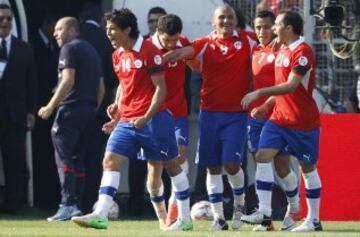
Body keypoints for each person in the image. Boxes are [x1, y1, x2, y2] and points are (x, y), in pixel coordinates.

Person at [71, 8, 192, 231]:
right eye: (107, 29)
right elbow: (125, 86)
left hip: (155, 120)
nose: (108, 34)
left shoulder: (149, 51)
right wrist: (117, 110)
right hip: (127, 121)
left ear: (127, 30)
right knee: (109, 160)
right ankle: (101, 214)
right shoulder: (117, 55)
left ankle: (185, 219)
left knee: (172, 166)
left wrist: (146, 117)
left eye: (112, 30)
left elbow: (161, 90)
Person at [165, 4, 256, 231]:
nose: (226, 21)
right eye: (222, 18)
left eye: (230, 17)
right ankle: (219, 218)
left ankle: (239, 208)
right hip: (210, 115)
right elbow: (184, 53)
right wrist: (165, 57)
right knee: (212, 167)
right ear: (213, 23)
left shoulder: (248, 40)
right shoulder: (205, 44)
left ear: (236, 20)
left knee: (232, 163)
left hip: (236, 115)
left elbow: (270, 44)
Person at [240, 10, 323, 232]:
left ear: (288, 28)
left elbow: (291, 85)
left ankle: (313, 220)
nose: (273, 28)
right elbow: (281, 89)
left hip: (302, 122)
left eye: (276, 24)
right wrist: (267, 105)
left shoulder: (303, 52)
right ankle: (265, 212)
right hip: (279, 119)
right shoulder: (283, 48)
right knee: (262, 156)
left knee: (307, 168)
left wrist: (258, 94)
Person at [38, 17, 103, 221]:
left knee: (64, 158)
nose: (55, 33)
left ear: (74, 30)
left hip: (69, 111)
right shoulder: (92, 51)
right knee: (77, 159)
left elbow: (67, 79)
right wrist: (91, 108)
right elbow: (100, 88)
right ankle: (79, 204)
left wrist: (50, 106)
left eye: (59, 29)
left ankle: (68, 204)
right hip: (87, 112)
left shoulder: (69, 49)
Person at [246, 10, 301, 231]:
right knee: (261, 161)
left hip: (280, 116)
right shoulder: (254, 49)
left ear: (276, 28)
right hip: (257, 116)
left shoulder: (284, 50)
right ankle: (266, 219)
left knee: (282, 168)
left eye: (267, 27)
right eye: (258, 27)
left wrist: (265, 101)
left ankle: (294, 206)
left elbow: (288, 83)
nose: (262, 32)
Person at [146, 14, 191, 227]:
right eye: (167, 41)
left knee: (179, 158)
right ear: (158, 33)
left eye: (176, 40)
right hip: (154, 114)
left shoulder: (183, 44)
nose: (172, 45)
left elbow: (200, 49)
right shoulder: (146, 49)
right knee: (155, 168)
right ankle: (162, 217)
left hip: (178, 113)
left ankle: (177, 214)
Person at [127, 6, 168, 215]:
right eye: (151, 21)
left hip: (163, 113)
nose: (154, 24)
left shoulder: (173, 44)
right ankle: (135, 203)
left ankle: (167, 206)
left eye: (158, 21)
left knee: (164, 161)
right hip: (137, 112)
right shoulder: (137, 45)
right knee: (137, 162)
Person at [78, 2, 117, 214]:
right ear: (102, 20)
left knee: (75, 156)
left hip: (75, 108)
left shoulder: (75, 37)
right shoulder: (106, 40)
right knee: (95, 158)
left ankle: (73, 201)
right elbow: (113, 78)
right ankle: (92, 202)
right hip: (100, 108)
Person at [0, 3, 37, 214]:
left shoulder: (24, 48)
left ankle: (14, 204)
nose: (4, 22)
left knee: (15, 161)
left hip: (15, 115)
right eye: (1, 18)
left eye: (8, 19)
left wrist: (31, 111)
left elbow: (32, 82)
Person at [30, 13, 60, 210]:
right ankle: (39, 197)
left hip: (52, 109)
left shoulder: (55, 47)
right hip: (38, 107)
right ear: (46, 23)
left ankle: (51, 196)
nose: (56, 33)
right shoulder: (32, 44)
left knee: (51, 154)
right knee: (38, 152)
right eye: (54, 27)